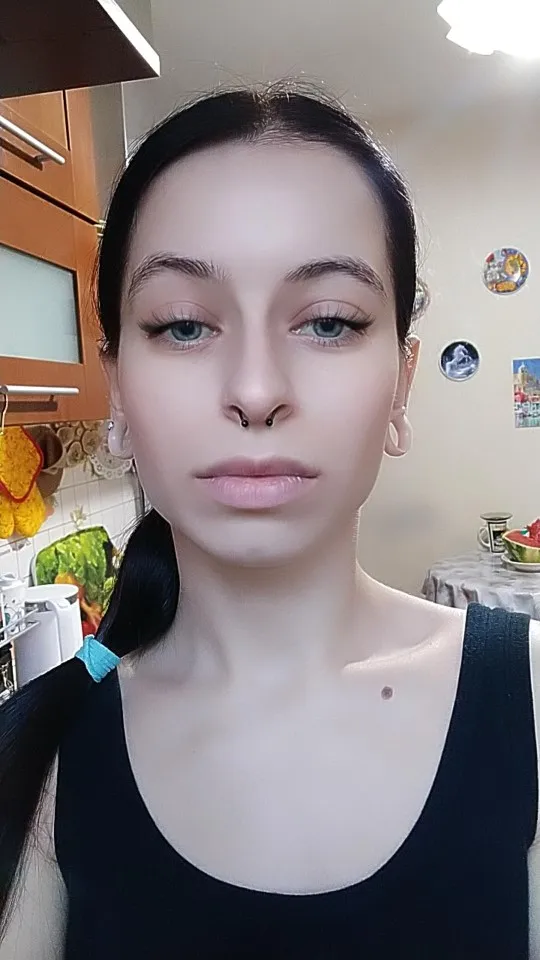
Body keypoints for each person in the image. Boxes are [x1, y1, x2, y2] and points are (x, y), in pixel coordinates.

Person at [1, 86, 539, 959]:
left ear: (401, 384)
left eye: (328, 321)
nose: (255, 390)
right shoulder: (40, 758)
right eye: (183, 326)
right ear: (118, 390)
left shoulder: (532, 699)